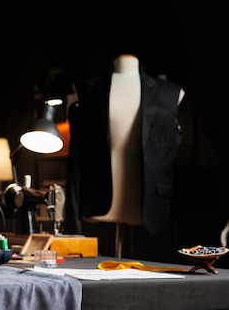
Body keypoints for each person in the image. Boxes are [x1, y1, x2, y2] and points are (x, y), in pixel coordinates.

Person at [64, 54, 185, 260]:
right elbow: (78, 157)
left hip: (147, 200)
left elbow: (169, 157)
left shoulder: (170, 93)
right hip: (98, 198)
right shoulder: (88, 88)